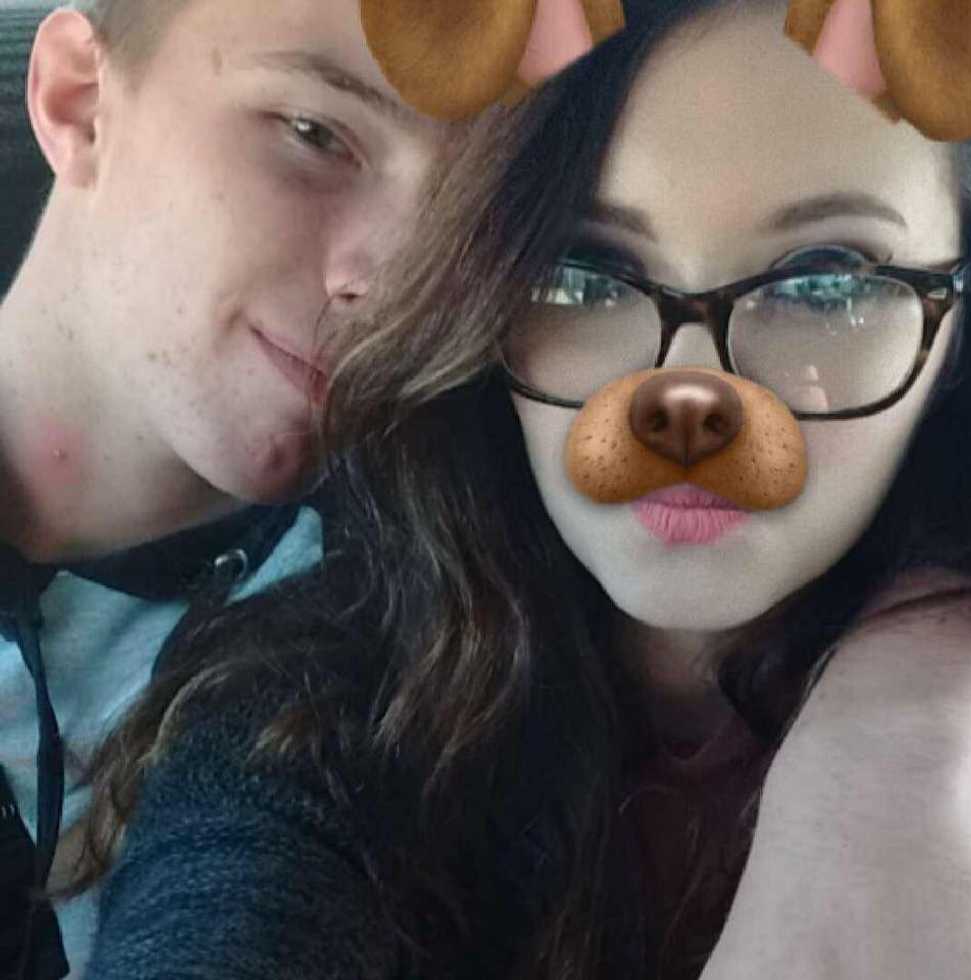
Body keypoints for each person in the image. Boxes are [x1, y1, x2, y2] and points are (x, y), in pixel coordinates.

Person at [66, 0, 971, 977]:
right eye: (584, 276)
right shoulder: (302, 723)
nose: (686, 399)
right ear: (481, 305)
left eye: (826, 282)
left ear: (959, 320)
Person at [0, 1, 542, 977]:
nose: (403, 287)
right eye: (315, 134)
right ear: (79, 103)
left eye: (474, 214)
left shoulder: (430, 620)